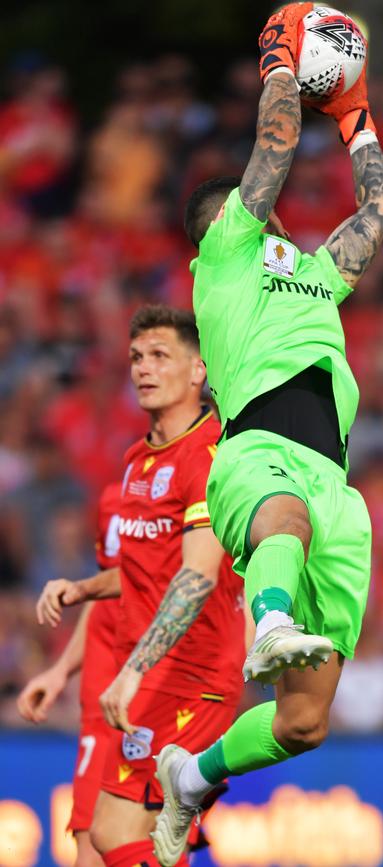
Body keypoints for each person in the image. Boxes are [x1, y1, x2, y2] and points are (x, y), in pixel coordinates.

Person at [152, 5, 383, 863]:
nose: (271, 214)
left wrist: (357, 111)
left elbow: (381, 204)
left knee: (304, 722)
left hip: (334, 480)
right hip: (257, 452)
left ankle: (195, 776)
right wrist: (281, 67)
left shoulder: (316, 278)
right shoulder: (224, 258)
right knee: (281, 517)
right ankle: (269, 619)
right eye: (253, 212)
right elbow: (275, 151)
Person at [35, 304, 247, 867]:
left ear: (199, 370)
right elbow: (142, 571)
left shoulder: (209, 455)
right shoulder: (136, 461)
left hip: (192, 673)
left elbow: (197, 576)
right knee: (126, 835)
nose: (143, 369)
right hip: (157, 673)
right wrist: (82, 589)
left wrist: (129, 673)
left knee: (116, 831)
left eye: (160, 356)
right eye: (135, 357)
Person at [17, 482, 122, 867]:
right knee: (89, 842)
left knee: (154, 846)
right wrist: (60, 671)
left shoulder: (204, 494)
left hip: (158, 692)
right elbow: (106, 596)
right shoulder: (116, 497)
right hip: (103, 686)